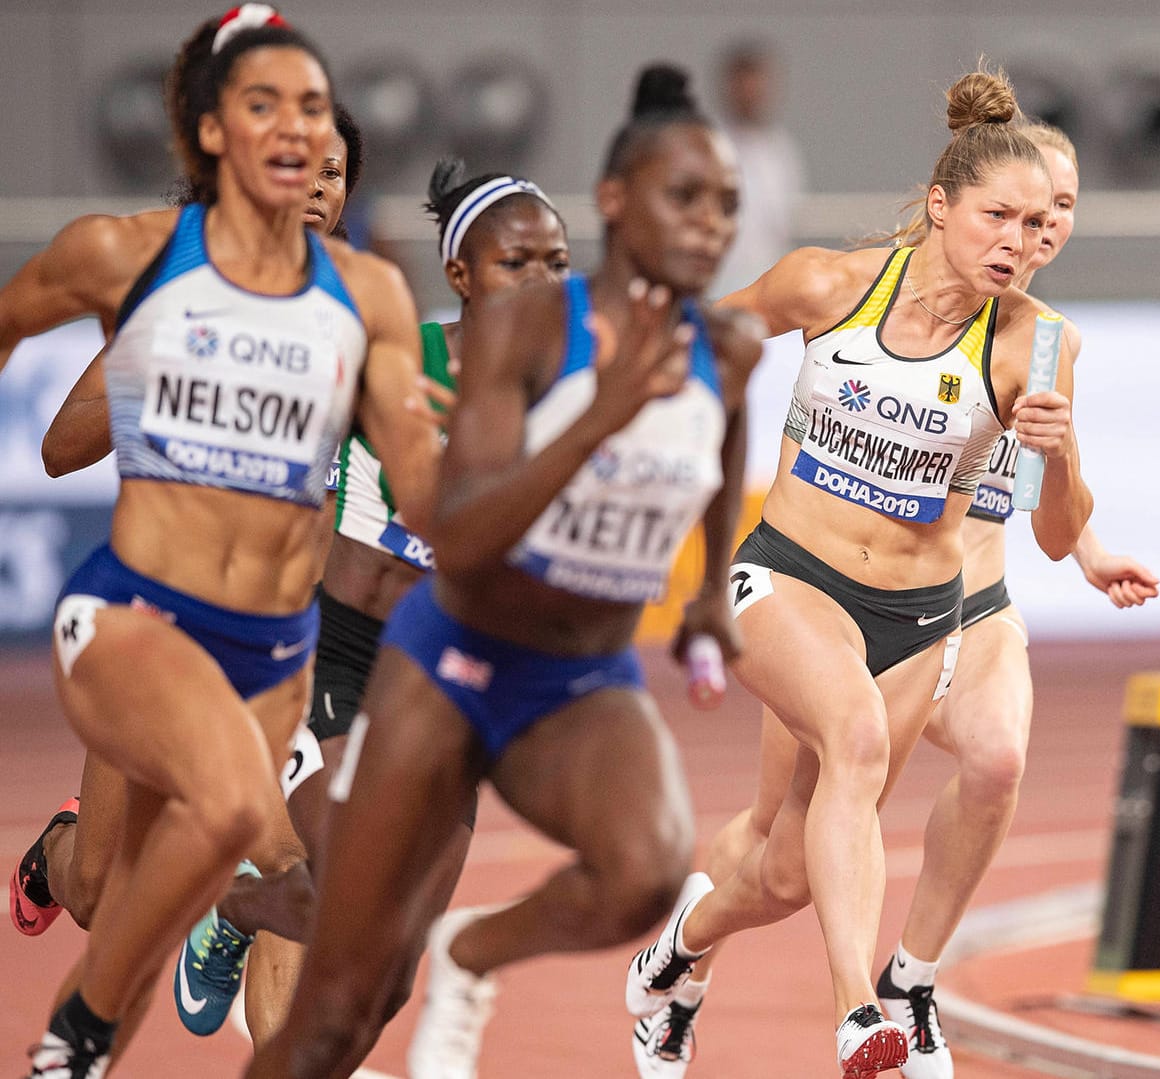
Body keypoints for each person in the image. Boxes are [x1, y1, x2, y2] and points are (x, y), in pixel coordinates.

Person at [243, 62, 759, 1079]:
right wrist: (600, 415)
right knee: (345, 993)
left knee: (646, 870)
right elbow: (467, 537)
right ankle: (225, 895)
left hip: (567, 673)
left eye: (727, 205)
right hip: (404, 655)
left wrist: (706, 595)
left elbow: (722, 441)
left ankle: (464, 947)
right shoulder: (480, 347)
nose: (708, 224)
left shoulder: (724, 346)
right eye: (684, 197)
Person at [632, 120, 1158, 1079]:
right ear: (940, 205)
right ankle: (863, 1014)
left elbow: (1047, 526)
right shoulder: (827, 285)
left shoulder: (1039, 349)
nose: (1024, 240)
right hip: (791, 574)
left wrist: (1060, 453)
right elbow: (701, 341)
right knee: (857, 741)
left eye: (1045, 219)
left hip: (929, 614)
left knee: (785, 868)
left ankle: (675, 955)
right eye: (1003, 216)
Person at [0, 7, 439, 1077]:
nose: (309, 156)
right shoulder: (136, 261)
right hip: (139, 613)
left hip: (275, 650)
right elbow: (59, 446)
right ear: (212, 134)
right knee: (247, 834)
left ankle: (76, 910)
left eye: (326, 135)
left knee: (187, 875)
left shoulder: (368, 299)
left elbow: (425, 484)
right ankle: (80, 1017)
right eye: (270, 110)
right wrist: (170, 374)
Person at [232, 157, 573, 1045]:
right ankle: (214, 898)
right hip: (340, 655)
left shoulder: (570, 402)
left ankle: (230, 904)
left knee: (382, 984)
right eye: (517, 263)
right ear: (461, 275)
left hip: (450, 688)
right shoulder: (395, 360)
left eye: (558, 263)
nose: (543, 283)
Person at [710, 39, 805, 298]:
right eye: (743, 84)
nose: (751, 93)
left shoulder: (780, 149)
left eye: (757, 83)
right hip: (718, 283)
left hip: (769, 283)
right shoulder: (709, 146)